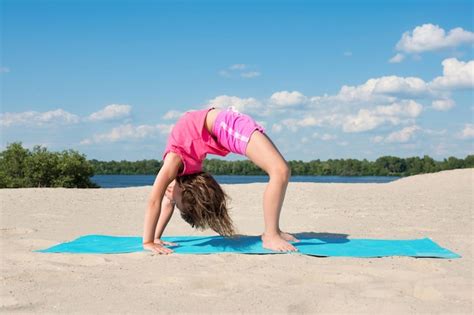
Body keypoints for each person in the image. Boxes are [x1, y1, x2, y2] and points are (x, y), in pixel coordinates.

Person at [142, 106, 299, 254]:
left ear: (186, 191)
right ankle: (274, 231)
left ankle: (271, 234)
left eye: (177, 202)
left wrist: (148, 242)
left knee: (280, 171)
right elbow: (166, 203)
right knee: (281, 170)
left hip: (224, 124)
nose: (169, 195)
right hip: (224, 125)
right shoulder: (183, 177)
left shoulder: (174, 160)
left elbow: (154, 201)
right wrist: (156, 237)